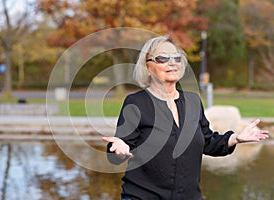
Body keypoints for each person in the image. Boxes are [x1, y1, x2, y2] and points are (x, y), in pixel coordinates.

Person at [102, 35, 269, 200]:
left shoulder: (193, 101)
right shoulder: (136, 103)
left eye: (176, 58)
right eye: (162, 58)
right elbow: (118, 150)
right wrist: (118, 148)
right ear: (147, 66)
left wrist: (235, 138)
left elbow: (207, 142)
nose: (172, 63)